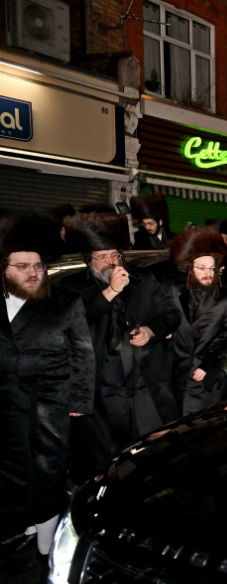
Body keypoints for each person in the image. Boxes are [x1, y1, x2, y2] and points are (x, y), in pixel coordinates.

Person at [0, 213, 94, 562]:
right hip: (6, 401)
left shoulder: (64, 302)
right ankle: (24, 522)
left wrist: (80, 399)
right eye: (22, 266)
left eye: (37, 266)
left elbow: (83, 354)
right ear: (5, 269)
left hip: (49, 402)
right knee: (13, 468)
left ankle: (46, 531)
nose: (32, 272)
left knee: (48, 468)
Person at [60, 212, 180, 459]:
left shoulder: (143, 280)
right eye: (102, 257)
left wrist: (152, 330)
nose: (111, 262)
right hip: (102, 392)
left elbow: (171, 315)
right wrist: (111, 291)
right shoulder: (73, 288)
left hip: (145, 385)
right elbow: (75, 322)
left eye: (115, 255)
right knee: (109, 458)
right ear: (88, 260)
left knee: (154, 451)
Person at [167, 227, 227, 415]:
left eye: (211, 268)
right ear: (190, 269)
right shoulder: (175, 292)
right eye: (202, 268)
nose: (208, 273)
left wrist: (211, 365)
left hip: (207, 378)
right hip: (177, 376)